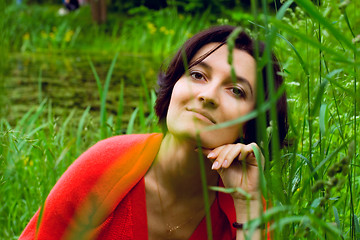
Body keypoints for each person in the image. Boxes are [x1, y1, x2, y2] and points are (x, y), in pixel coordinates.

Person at [19, 25, 288, 240]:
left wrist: (247, 204)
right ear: (173, 87)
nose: (208, 96)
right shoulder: (106, 165)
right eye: (197, 75)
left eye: (236, 91)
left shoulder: (251, 207)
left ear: (252, 123)